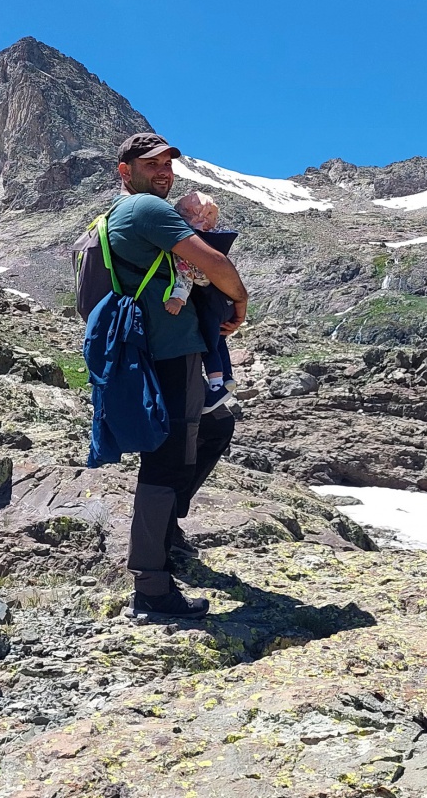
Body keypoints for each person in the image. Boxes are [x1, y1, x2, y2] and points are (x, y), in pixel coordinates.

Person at [104, 132, 249, 618]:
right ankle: (151, 588)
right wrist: (241, 300)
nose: (163, 171)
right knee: (167, 462)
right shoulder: (145, 209)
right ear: (126, 170)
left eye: (168, 163)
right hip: (169, 356)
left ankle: (167, 535)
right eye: (151, 164)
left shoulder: (120, 214)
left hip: (160, 353)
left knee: (213, 427)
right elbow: (213, 262)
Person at [163, 189, 237, 412]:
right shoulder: (214, 242)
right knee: (219, 338)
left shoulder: (190, 245)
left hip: (206, 301)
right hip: (223, 302)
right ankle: (227, 376)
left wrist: (178, 297)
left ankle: (216, 388)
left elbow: (186, 273)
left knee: (207, 343)